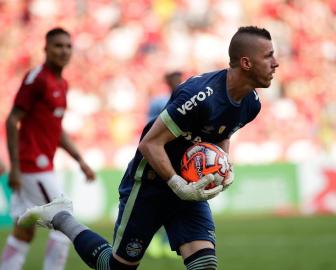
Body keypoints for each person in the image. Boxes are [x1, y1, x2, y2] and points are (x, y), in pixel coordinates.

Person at [18, 26, 279, 270]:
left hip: (188, 186)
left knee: (205, 265)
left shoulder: (251, 104)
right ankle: (62, 217)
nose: (276, 63)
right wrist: (177, 184)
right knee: (115, 266)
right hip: (150, 184)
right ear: (246, 63)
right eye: (269, 56)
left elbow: (222, 133)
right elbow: (150, 144)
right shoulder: (200, 96)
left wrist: (222, 165)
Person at [0, 27, 96, 270]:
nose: (63, 51)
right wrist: (16, 168)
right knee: (64, 224)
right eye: (57, 46)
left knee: (24, 232)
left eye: (67, 46)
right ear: (45, 49)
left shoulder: (62, 84)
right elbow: (12, 120)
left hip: (40, 167)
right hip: (33, 166)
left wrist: (80, 160)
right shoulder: (37, 79)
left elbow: (56, 130)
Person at [146, 71, 183, 259]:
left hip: (179, 159)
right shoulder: (158, 102)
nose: (176, 81)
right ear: (167, 80)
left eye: (179, 77)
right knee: (159, 200)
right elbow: (150, 130)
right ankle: (154, 239)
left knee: (176, 201)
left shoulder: (189, 99)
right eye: (173, 78)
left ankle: (170, 242)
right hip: (161, 157)